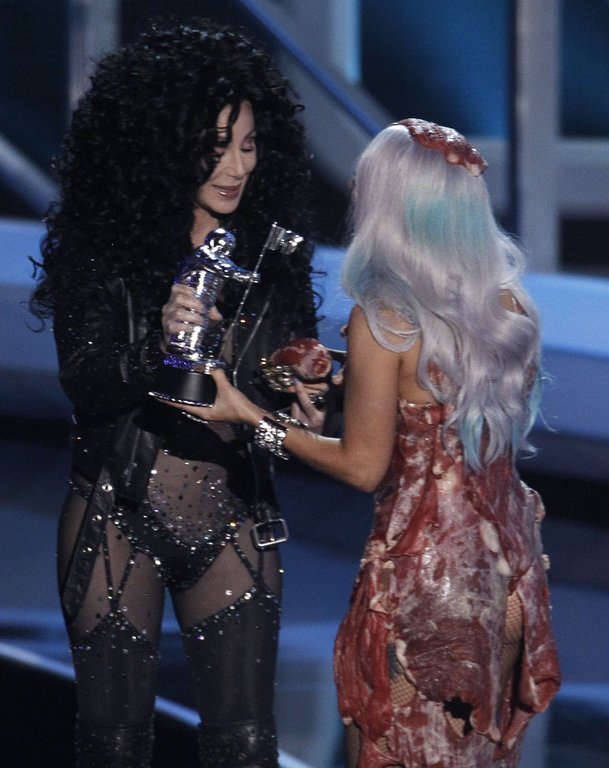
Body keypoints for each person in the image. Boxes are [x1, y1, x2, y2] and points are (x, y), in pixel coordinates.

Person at [169, 119, 561, 767]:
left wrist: (248, 414)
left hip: (421, 580)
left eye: (365, 182)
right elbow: (440, 402)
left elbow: (362, 466)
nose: (353, 189)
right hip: (504, 575)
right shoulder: (510, 310)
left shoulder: (384, 320)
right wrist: (344, 376)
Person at [29, 18, 322, 767]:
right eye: (216, 145)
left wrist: (303, 386)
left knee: (245, 745)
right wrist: (158, 341)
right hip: (114, 515)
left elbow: (275, 379)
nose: (236, 166)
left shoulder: (273, 251)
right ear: (163, 145)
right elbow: (85, 382)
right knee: (113, 747)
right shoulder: (104, 248)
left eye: (249, 145)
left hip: (234, 516)